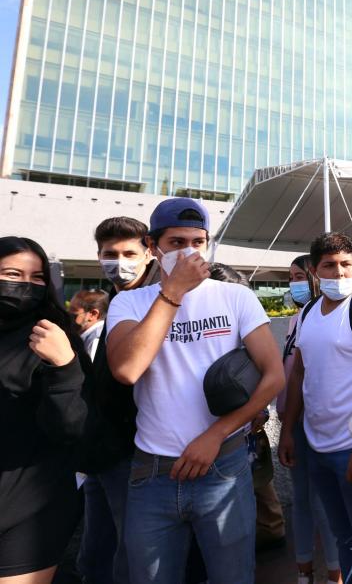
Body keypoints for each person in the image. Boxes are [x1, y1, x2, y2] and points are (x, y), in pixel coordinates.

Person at [106, 198, 285, 584]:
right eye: (176, 243)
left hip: (223, 463)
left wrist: (216, 434)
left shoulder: (235, 297)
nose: (189, 252)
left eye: (198, 242)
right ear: (153, 248)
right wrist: (172, 294)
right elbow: (126, 369)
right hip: (153, 471)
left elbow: (274, 376)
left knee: (233, 576)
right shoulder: (129, 302)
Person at [279, 233, 352, 584]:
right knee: (343, 539)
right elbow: (300, 371)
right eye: (330, 266)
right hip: (317, 446)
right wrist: (288, 430)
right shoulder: (308, 313)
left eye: (346, 264)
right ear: (316, 270)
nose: (340, 272)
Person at [0, 236, 90, 582]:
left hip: (31, 509)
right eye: (12, 274)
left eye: (36, 278)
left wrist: (64, 365)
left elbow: (74, 427)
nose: (25, 285)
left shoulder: (55, 336)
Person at [76, 216, 161, 584]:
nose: (119, 261)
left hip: (136, 447)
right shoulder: (119, 296)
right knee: (98, 545)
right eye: (110, 253)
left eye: (129, 252)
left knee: (132, 546)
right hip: (102, 443)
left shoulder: (163, 298)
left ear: (148, 253)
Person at [206, 263, 287, 555]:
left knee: (258, 480)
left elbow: (267, 371)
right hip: (220, 422)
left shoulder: (247, 324)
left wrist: (260, 409)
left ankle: (270, 531)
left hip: (246, 421)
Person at [278, 255, 342, 584]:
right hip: (295, 423)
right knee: (301, 502)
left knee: (324, 505)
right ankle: (304, 571)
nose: (294, 283)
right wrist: (286, 428)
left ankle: (335, 573)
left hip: (322, 424)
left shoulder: (331, 318)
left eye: (300, 276)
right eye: (291, 277)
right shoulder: (296, 319)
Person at [69, 289, 109, 360]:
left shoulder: (96, 340)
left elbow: (91, 370)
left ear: (93, 314)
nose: (68, 314)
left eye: (73, 310)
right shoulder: (90, 335)